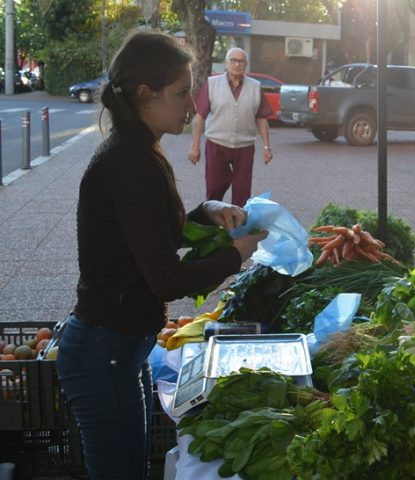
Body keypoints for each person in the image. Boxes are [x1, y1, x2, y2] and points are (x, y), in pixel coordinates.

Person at [56, 32, 267, 480]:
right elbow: (167, 279)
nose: (192, 105)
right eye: (181, 93)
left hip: (121, 347)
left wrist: (208, 211)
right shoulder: (127, 164)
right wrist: (237, 254)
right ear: (144, 94)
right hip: (103, 351)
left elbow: (151, 235)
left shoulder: (140, 150)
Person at [189, 47, 273, 208]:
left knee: (242, 191)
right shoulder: (212, 84)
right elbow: (199, 117)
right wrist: (195, 146)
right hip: (216, 143)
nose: (237, 64)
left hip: (245, 146)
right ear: (226, 63)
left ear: (246, 64)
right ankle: (212, 219)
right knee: (215, 186)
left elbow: (262, 118)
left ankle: (238, 222)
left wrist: (266, 147)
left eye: (241, 61)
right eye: (233, 60)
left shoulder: (255, 86)